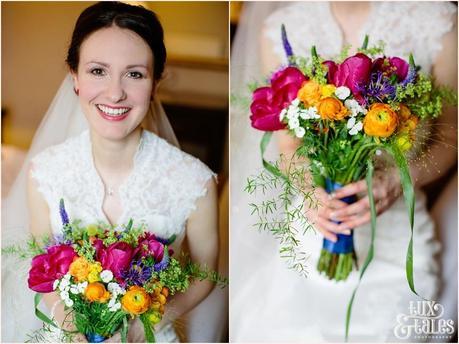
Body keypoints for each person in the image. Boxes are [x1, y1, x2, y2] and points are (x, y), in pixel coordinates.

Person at [231, 2, 457, 342]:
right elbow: (288, 148)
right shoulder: (280, 28)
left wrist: (397, 180)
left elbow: (451, 136)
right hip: (311, 231)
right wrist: (309, 188)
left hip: (396, 238)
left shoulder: (439, 22)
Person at [2, 2, 219, 342]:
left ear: (156, 82)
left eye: (134, 74)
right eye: (98, 71)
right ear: (74, 77)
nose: (115, 92)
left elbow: (205, 275)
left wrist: (140, 325)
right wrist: (73, 324)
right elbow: (41, 266)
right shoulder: (44, 174)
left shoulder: (196, 182)